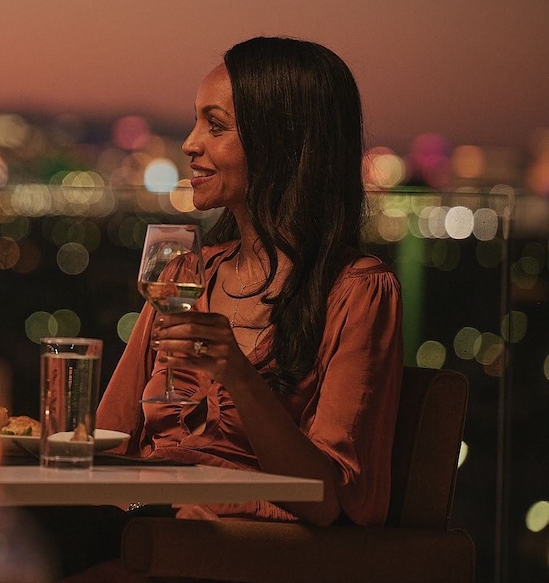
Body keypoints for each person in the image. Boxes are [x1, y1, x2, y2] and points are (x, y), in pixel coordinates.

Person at [59, 36, 404, 579]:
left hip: (230, 549)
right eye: (196, 122)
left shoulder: (358, 292)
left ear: (281, 143)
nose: (190, 144)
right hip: (147, 525)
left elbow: (331, 499)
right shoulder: (186, 275)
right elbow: (108, 437)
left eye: (215, 126)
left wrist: (238, 376)